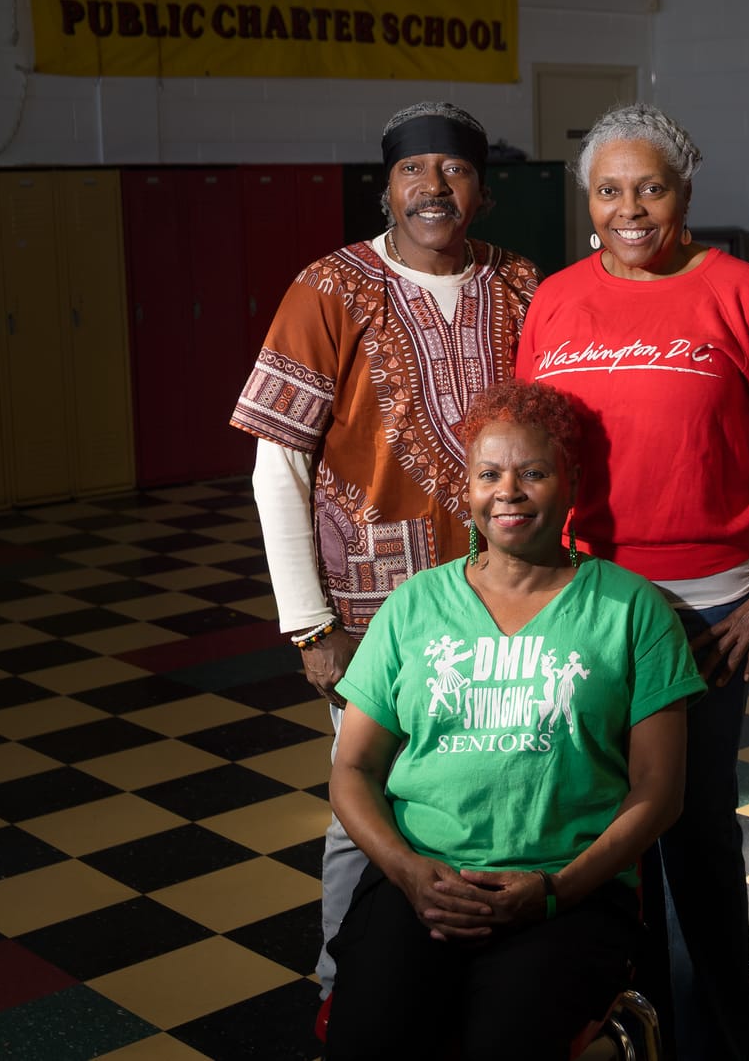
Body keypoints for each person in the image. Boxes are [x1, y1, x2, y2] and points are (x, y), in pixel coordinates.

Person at [517, 102, 749, 1059]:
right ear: (589, 201)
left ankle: (716, 1039)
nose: (631, 209)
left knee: (695, 832)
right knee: (599, 829)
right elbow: (525, 454)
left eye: (651, 187)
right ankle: (620, 1028)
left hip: (708, 610)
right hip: (583, 603)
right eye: (610, 190)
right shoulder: (556, 300)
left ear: (685, 192)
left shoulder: (737, 291)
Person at [230, 101, 538, 1001]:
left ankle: (473, 964)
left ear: (482, 191)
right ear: (386, 185)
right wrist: (308, 624)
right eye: (415, 170)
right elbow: (276, 466)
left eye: (455, 170)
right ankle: (345, 980)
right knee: (369, 796)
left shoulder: (522, 283)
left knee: (498, 776)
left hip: (506, 593)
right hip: (373, 610)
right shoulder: (328, 288)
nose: (433, 187)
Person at [323, 381, 705, 1058]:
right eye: (490, 473)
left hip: (569, 891)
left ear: (570, 483)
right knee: (371, 1040)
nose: (510, 490)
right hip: (424, 886)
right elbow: (352, 768)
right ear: (467, 489)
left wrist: (555, 891)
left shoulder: (631, 610)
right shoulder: (414, 606)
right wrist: (410, 873)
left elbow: (659, 791)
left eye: (533, 472)